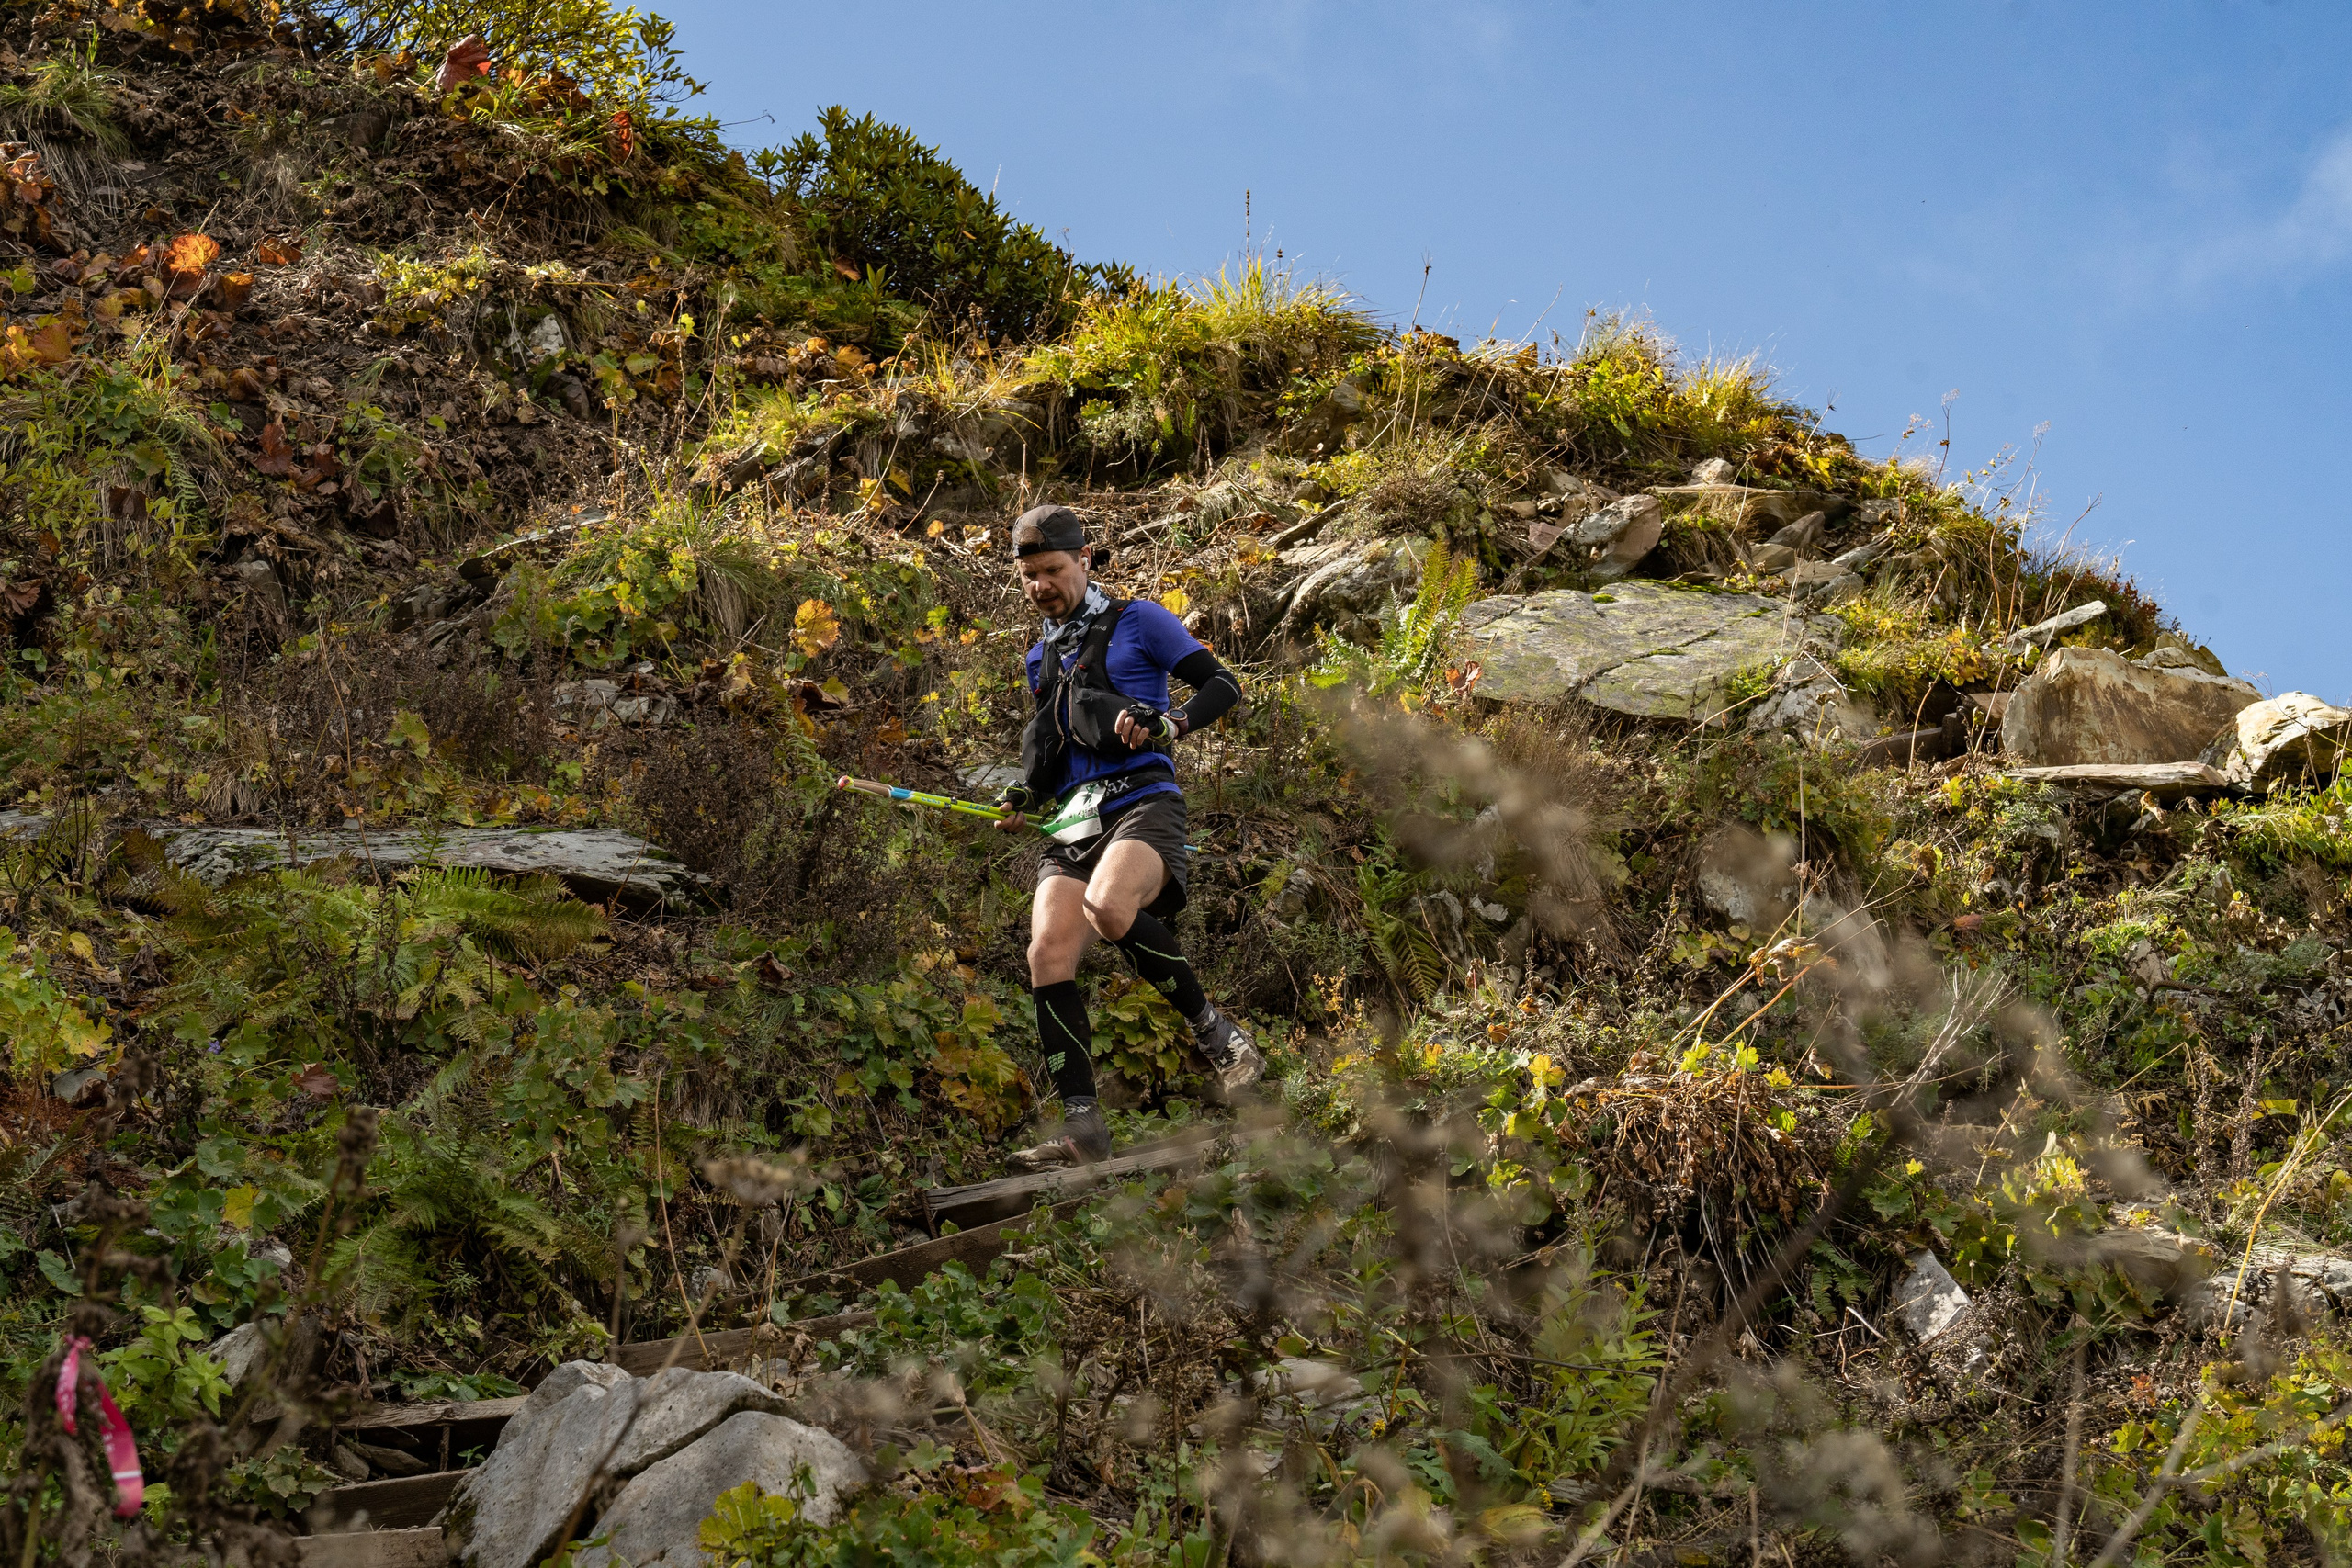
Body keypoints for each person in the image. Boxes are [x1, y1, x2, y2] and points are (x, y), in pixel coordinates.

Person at [991, 502, 1262, 1170]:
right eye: (1028, 576)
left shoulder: (1139, 620)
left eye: (1052, 570)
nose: (1041, 586)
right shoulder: (1040, 656)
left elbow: (1222, 685)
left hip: (1143, 805)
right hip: (1076, 821)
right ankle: (1083, 1129)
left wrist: (1172, 725)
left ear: (1085, 559)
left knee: (1109, 907)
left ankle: (1218, 1035)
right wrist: (1024, 796)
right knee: (1046, 953)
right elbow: (1050, 749)